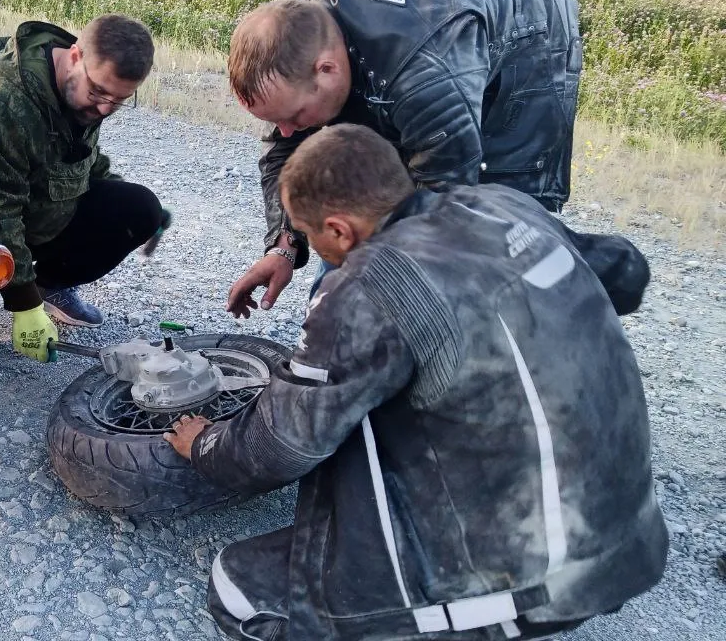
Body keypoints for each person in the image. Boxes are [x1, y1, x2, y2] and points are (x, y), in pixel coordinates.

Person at [166, 124, 667, 641]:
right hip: (633, 550)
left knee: (238, 588)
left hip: (538, 587)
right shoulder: (501, 206)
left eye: (308, 234)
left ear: (338, 230)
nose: (313, 248)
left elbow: (281, 446)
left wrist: (204, 443)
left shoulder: (370, 285)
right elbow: (627, 273)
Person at [224, 0, 583, 319]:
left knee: (495, 229)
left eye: (294, 117)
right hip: (415, 28)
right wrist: (283, 247)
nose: (288, 130)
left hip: (529, 24)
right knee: (360, 201)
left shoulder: (426, 76)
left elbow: (444, 197)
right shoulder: (291, 26)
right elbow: (285, 153)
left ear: (327, 69)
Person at [0, 14, 165, 365]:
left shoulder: (81, 91)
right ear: (75, 56)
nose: (105, 108)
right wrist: (23, 304)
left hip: (36, 214)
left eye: (119, 100)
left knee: (139, 209)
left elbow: (83, 159)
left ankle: (50, 285)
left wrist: (134, 211)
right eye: (99, 93)